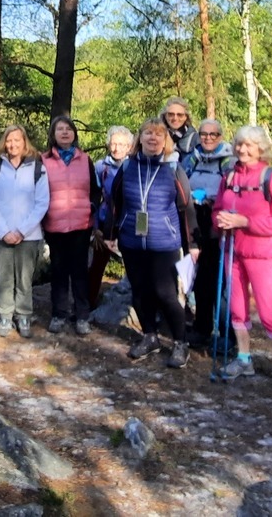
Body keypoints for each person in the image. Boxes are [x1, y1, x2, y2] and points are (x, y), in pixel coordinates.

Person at [103, 118, 199, 369]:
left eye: (158, 134)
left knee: (166, 294)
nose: (153, 138)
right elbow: (115, 202)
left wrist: (192, 244)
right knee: (140, 292)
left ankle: (180, 342)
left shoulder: (173, 168)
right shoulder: (128, 166)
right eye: (148, 133)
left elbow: (186, 209)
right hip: (132, 242)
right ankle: (150, 336)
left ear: (165, 140)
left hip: (164, 243)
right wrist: (110, 233)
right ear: (140, 138)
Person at [214, 125, 272, 393]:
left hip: (263, 255)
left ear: (260, 148)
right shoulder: (228, 176)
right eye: (239, 144)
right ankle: (244, 359)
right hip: (233, 252)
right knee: (237, 309)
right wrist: (220, 220)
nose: (243, 149)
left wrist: (245, 222)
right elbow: (218, 207)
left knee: (268, 312)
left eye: (249, 145)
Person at [0, 125, 50, 339]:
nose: (13, 144)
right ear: (4, 143)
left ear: (24, 142)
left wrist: (22, 231)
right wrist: (4, 231)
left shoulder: (37, 169)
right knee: (4, 278)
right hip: (2, 234)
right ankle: (5, 315)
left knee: (24, 279)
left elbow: (42, 203)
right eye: (9, 140)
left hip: (29, 235)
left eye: (17, 140)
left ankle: (23, 315)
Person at [42, 116, 100, 336]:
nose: (65, 132)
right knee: (58, 271)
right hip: (54, 224)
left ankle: (82, 315)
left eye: (68, 129)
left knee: (79, 272)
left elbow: (95, 190)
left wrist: (91, 207)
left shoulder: (85, 160)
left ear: (75, 133)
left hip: (81, 224)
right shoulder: (43, 160)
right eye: (60, 129)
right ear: (53, 134)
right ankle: (59, 314)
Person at [183, 118, 233, 347]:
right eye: (204, 134)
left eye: (213, 134)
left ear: (220, 136)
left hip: (218, 223)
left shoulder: (229, 161)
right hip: (195, 221)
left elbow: (234, 191)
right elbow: (181, 183)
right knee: (200, 278)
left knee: (220, 281)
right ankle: (202, 328)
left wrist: (213, 199)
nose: (208, 138)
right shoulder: (192, 158)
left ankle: (227, 334)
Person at [89, 125, 134, 309]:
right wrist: (95, 227)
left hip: (128, 222)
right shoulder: (101, 167)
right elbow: (94, 196)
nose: (116, 148)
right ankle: (88, 305)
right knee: (97, 266)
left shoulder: (134, 166)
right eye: (113, 144)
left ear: (129, 147)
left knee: (133, 266)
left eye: (121, 144)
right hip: (105, 221)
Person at [159, 97, 199, 163]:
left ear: (186, 117)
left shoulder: (195, 139)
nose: (175, 118)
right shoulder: (156, 137)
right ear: (165, 116)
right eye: (171, 114)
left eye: (180, 115)